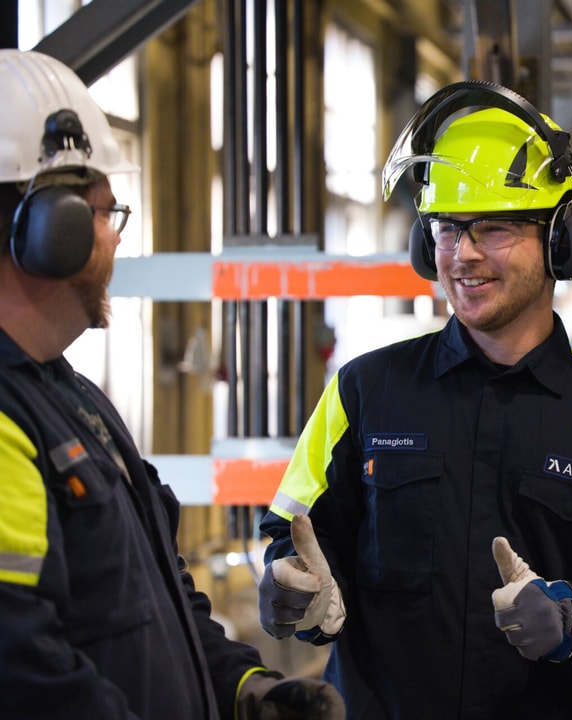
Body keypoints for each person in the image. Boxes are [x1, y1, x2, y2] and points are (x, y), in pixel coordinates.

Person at [258, 80, 572, 719]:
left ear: (560, 240)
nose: (463, 255)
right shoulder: (364, 391)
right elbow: (297, 539)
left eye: (493, 228)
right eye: (447, 229)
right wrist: (290, 583)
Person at [0, 49, 345, 720]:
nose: (114, 242)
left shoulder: (72, 400)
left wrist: (244, 687)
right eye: (105, 214)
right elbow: (23, 669)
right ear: (49, 230)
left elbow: (155, 600)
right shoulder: (10, 420)